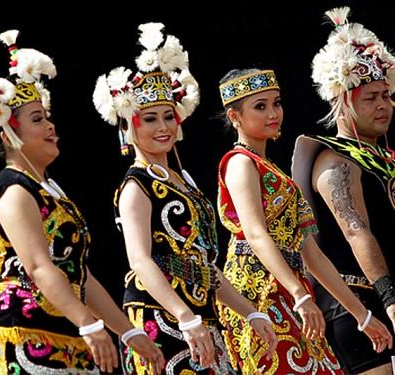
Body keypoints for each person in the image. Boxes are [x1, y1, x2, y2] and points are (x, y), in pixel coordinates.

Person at [0, 29, 165, 374]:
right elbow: (40, 267)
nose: (51, 127)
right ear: (8, 133)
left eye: (48, 117)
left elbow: (79, 275)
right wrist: (87, 323)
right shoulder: (13, 190)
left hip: (67, 328)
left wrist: (128, 332)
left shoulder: (47, 190)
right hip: (28, 332)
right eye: (38, 120)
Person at [93, 22, 277, 374]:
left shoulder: (182, 181)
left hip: (200, 315)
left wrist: (249, 311)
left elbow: (201, 266)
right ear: (129, 126)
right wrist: (184, 317)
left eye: (168, 117)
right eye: (150, 119)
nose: (163, 127)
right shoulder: (136, 186)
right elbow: (141, 261)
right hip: (161, 317)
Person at [216, 67, 393, 374]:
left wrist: (362, 315)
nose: (273, 113)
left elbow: (309, 251)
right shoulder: (240, 163)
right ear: (235, 117)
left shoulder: (274, 170)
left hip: (293, 289)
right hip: (259, 291)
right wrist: (298, 295)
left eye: (276, 103)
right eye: (260, 106)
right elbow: (256, 235)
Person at [292, 6, 395, 374]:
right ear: (343, 101)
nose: (384, 105)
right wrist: (390, 299)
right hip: (361, 304)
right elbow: (355, 230)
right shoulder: (335, 160)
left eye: (387, 94)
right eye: (371, 97)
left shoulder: (385, 156)